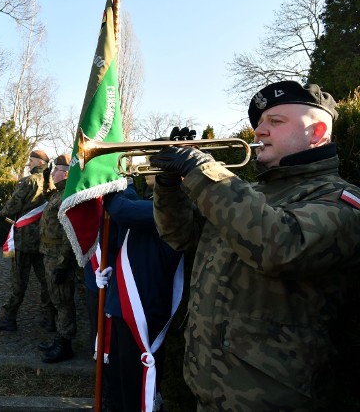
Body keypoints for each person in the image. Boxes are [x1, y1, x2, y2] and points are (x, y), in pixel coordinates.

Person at [150, 81, 360, 410]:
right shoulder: (250, 195)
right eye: (259, 123)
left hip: (274, 399)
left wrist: (201, 170)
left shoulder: (341, 199)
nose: (258, 131)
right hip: (208, 388)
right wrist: (168, 185)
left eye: (275, 122)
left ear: (317, 132)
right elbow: (181, 236)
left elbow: (279, 246)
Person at [95, 175, 183, 412]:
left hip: (145, 313)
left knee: (135, 392)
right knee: (118, 385)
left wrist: (116, 178)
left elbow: (121, 208)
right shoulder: (145, 202)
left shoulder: (175, 206)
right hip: (123, 308)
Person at [0, 149, 55, 332]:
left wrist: (0, 215)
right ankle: (49, 318)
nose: (29, 163)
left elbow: (12, 206)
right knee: (46, 280)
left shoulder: (29, 181)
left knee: (19, 282)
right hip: (43, 238)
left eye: (31, 160)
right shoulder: (52, 182)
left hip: (24, 240)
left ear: (40, 163)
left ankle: (9, 318)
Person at [37, 153, 79, 363]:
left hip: (58, 258)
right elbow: (46, 196)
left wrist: (63, 264)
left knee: (63, 301)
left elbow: (68, 234)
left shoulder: (67, 196)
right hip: (50, 255)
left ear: (67, 173)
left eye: (55, 171)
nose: (52, 174)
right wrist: (46, 178)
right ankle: (60, 338)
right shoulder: (58, 194)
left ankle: (65, 344)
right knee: (56, 299)